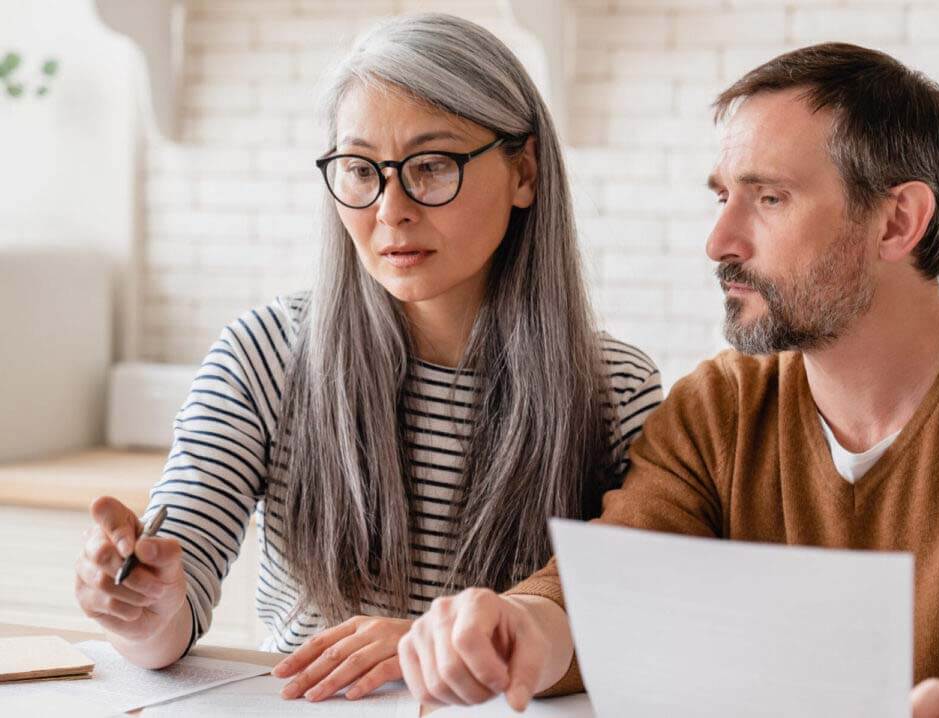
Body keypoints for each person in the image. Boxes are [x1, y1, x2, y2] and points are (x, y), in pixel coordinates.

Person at [396, 43, 939, 717]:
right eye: (721, 197)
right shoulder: (720, 408)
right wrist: (517, 624)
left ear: (898, 222)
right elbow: (613, 585)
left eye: (768, 198)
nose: (718, 240)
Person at [71, 12, 662, 704]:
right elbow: (172, 611)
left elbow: (631, 626)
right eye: (360, 170)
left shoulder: (615, 388)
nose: (391, 209)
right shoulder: (266, 352)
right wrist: (140, 603)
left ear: (524, 171)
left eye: (433, 167)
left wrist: (428, 651)